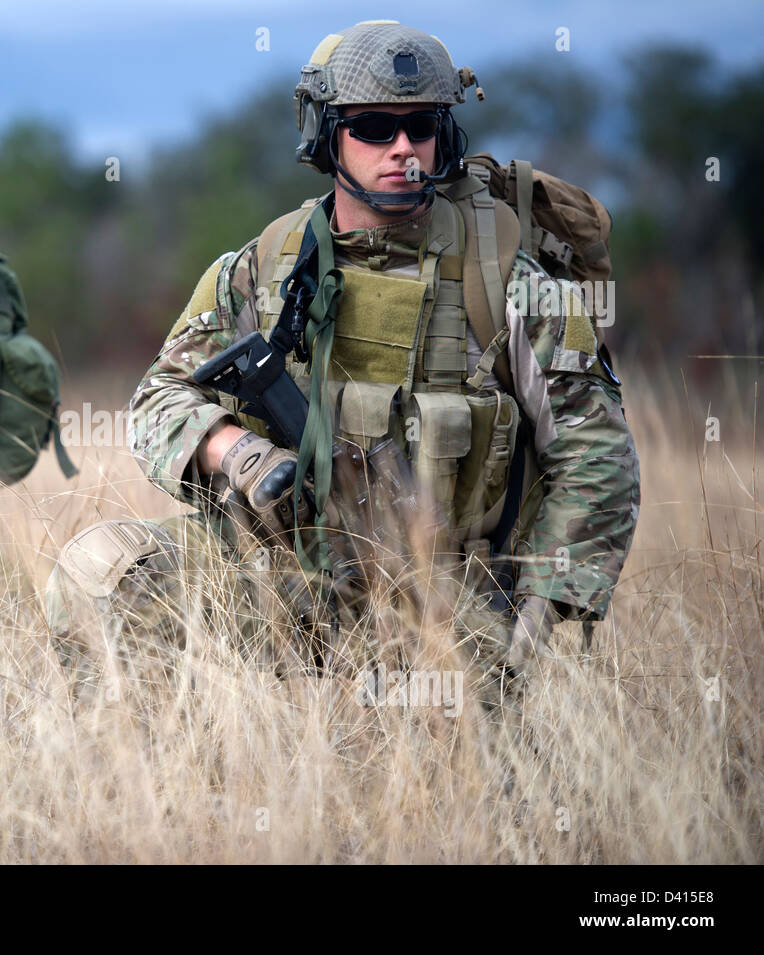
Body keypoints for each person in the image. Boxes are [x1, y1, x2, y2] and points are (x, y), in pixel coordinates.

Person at [45, 21, 641, 697]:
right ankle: (148, 782)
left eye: (422, 126)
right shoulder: (264, 268)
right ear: (324, 135)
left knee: (456, 758)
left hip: (458, 605)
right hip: (290, 580)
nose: (404, 148)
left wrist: (540, 625)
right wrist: (237, 454)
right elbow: (158, 399)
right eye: (374, 128)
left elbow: (597, 457)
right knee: (102, 569)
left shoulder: (506, 280)